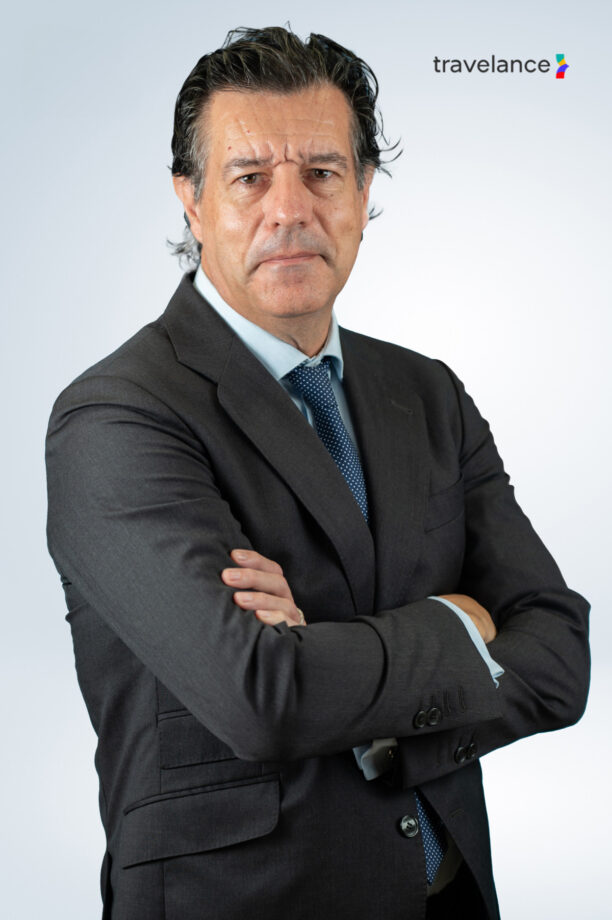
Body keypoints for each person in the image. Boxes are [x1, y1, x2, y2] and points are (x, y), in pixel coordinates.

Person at [45, 26, 590, 920]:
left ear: (365, 192)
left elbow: (561, 653)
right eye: (250, 177)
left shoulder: (427, 393)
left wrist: (343, 675)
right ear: (191, 200)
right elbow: (263, 697)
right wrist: (458, 620)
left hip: (448, 896)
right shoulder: (117, 417)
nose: (290, 208)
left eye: (323, 172)